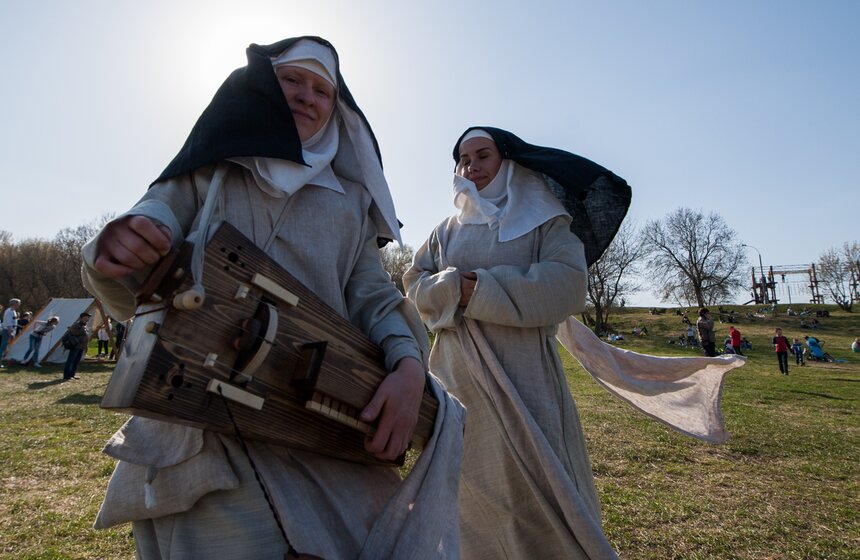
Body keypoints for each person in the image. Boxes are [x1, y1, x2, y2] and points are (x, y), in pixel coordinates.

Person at [81, 37, 463, 559]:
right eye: (292, 81)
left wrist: (408, 365)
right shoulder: (210, 170)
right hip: (204, 426)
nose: (307, 96)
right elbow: (153, 222)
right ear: (262, 87)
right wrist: (124, 244)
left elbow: (372, 295)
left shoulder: (351, 201)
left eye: (322, 90)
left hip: (317, 424)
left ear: (336, 109)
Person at [405, 126, 742, 559]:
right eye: (463, 159)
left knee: (540, 486)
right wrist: (452, 288)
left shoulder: (546, 221)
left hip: (526, 375)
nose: (471, 166)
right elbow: (413, 283)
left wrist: (480, 289)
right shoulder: (443, 233)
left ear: (508, 160)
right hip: (457, 375)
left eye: (482, 155)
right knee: (471, 486)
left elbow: (567, 285)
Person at [62, 312, 91, 380]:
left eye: (88, 317)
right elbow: (74, 333)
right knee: (71, 360)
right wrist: (82, 329)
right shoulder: (76, 325)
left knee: (76, 361)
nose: (88, 318)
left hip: (81, 346)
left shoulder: (84, 325)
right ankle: (67, 376)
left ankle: (72, 374)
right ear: (82, 317)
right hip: (75, 345)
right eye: (86, 317)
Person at [0, 298, 21, 366]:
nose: (19, 305)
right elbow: (9, 324)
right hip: (7, 331)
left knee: (5, 348)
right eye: (18, 304)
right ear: (14, 304)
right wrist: (10, 333)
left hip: (12, 330)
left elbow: (13, 321)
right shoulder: (9, 311)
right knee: (3, 347)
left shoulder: (13, 311)